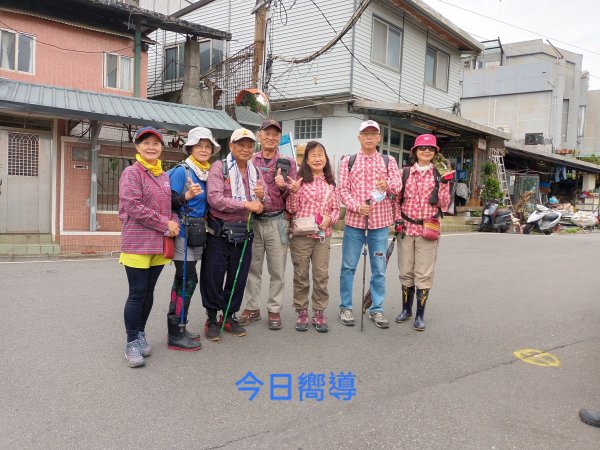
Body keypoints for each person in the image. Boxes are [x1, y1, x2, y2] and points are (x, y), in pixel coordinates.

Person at [118, 126, 180, 368]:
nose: (151, 147)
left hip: (158, 242)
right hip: (136, 241)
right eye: (146, 143)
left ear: (161, 148)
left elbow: (169, 205)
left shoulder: (163, 175)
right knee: (136, 293)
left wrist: (173, 220)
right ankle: (131, 341)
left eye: (156, 143)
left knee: (149, 292)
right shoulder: (131, 173)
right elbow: (132, 206)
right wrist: (166, 223)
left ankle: (141, 332)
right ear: (137, 147)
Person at [200, 128, 267, 341]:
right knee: (213, 276)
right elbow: (215, 199)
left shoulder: (256, 171)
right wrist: (246, 204)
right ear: (231, 146)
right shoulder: (219, 167)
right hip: (219, 231)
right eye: (241, 145)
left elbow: (261, 204)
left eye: (250, 146)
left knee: (238, 278)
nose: (246, 149)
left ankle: (229, 316)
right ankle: (211, 318)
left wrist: (261, 199)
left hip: (245, 231)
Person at [338, 120, 401, 329]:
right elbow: (342, 190)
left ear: (379, 138)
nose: (369, 137)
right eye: (365, 133)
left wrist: (387, 184)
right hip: (355, 223)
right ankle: (345, 307)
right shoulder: (349, 160)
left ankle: (377, 309)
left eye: (373, 134)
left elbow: (397, 186)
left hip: (380, 224)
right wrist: (356, 206)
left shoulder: (388, 160)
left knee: (379, 269)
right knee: (348, 267)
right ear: (359, 137)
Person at [238, 119, 298, 330]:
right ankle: (252, 308)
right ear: (259, 136)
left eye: (275, 134)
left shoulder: (288, 162)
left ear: (279, 137)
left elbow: (294, 197)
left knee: (277, 271)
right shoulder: (249, 160)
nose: (271, 137)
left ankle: (274, 310)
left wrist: (285, 188)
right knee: (252, 269)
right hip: (253, 221)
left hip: (277, 221)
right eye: (266, 133)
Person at [166, 127, 220, 351]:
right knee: (187, 280)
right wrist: (185, 197)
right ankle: (176, 332)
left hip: (198, 232)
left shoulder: (206, 173)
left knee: (184, 281)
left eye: (208, 146)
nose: (204, 149)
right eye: (200, 145)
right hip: (183, 232)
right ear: (190, 147)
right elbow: (167, 202)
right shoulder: (182, 171)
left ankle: (179, 327)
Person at [394, 134, 450, 331]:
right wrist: (397, 220)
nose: (426, 151)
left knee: (423, 273)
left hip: (428, 229)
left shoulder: (439, 174)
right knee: (406, 270)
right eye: (422, 148)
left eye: (431, 149)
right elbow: (396, 200)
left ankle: (420, 314)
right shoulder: (405, 173)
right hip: (407, 229)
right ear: (415, 152)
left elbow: (444, 204)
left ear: (435, 153)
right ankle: (406, 310)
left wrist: (444, 183)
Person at [286, 141, 340, 333]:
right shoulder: (299, 181)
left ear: (326, 159)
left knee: (321, 275)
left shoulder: (331, 183)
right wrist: (293, 193)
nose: (317, 159)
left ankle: (319, 311)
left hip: (322, 236)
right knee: (300, 275)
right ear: (306, 160)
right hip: (301, 235)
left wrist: (329, 219)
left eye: (321, 155)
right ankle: (301, 311)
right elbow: (291, 209)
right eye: (313, 156)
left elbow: (336, 210)